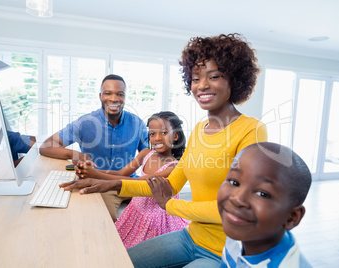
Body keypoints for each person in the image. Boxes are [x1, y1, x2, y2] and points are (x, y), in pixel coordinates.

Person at [60, 33, 268, 267]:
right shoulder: (200, 130)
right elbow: (168, 185)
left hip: (225, 251)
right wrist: (112, 183)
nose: (202, 85)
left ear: (235, 79)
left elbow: (236, 207)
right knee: (119, 262)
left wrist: (170, 205)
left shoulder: (251, 130)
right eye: (196, 78)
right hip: (191, 237)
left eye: (214, 76)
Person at [39, 74, 148, 222]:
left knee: (159, 213)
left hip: (128, 181)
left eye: (119, 94)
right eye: (108, 93)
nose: (114, 99)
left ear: (124, 97)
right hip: (99, 184)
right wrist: (77, 155)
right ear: (100, 96)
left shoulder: (137, 123)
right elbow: (46, 145)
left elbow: (148, 154)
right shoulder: (85, 123)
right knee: (106, 222)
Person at [76, 111, 190, 249]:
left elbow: (136, 182)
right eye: (152, 134)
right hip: (136, 209)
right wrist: (91, 172)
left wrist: (94, 174)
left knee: (139, 253)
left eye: (164, 133)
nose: (157, 138)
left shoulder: (174, 167)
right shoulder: (146, 154)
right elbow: (121, 173)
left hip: (154, 219)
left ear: (176, 136)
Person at [217, 142, 312, 267]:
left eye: (262, 193)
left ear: (292, 217)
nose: (238, 199)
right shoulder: (238, 231)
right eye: (234, 182)